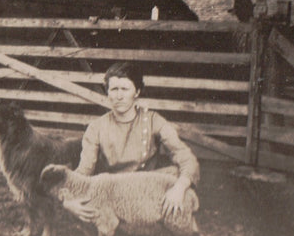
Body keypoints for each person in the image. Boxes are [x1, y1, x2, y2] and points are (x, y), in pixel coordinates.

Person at [64, 62, 200, 221]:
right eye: (114, 89)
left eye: (125, 89)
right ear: (107, 92)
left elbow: (186, 157)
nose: (119, 96)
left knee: (175, 175)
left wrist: (179, 188)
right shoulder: (96, 127)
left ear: (137, 92)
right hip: (113, 194)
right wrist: (69, 200)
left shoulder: (153, 121)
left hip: (146, 190)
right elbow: (83, 171)